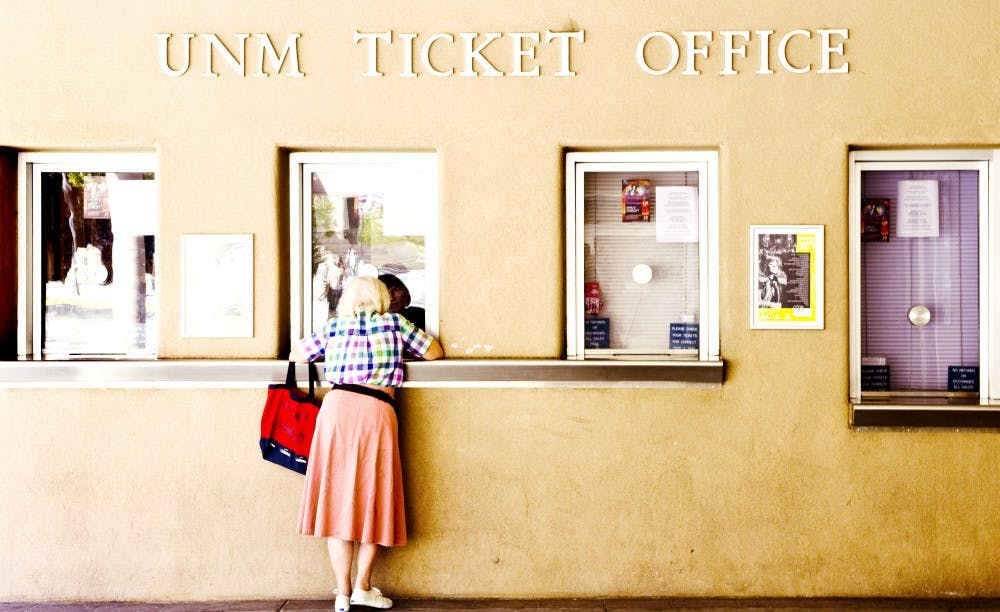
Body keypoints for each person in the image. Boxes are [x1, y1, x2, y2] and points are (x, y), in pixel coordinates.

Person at [289, 275, 444, 612]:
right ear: (382, 299)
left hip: (336, 410)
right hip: (376, 410)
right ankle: (363, 586)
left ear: (347, 300)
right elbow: (435, 352)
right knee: (375, 496)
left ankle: (342, 594)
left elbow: (296, 354)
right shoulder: (396, 324)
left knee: (336, 500)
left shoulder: (334, 327)